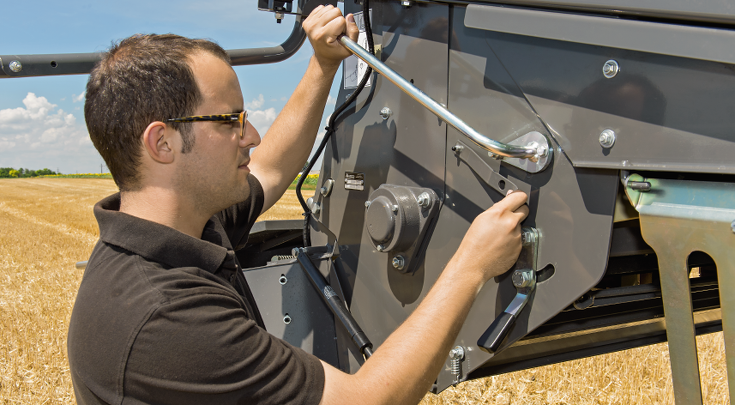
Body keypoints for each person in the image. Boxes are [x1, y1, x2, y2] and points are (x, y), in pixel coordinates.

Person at [67, 5, 529, 405]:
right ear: (162, 142)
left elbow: (268, 170)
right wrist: (471, 266)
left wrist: (322, 66)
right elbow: (369, 400)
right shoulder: (168, 319)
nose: (251, 136)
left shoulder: (184, 222)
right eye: (230, 120)